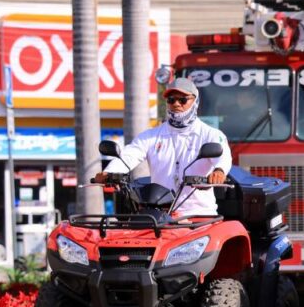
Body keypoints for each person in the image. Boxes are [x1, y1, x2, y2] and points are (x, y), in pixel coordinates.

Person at [95, 78, 232, 217]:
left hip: (200, 216)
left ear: (195, 101)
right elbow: (129, 155)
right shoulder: (150, 136)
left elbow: (223, 157)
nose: (176, 104)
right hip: (160, 217)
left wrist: (219, 171)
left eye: (183, 100)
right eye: (171, 100)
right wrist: (109, 172)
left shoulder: (211, 134)